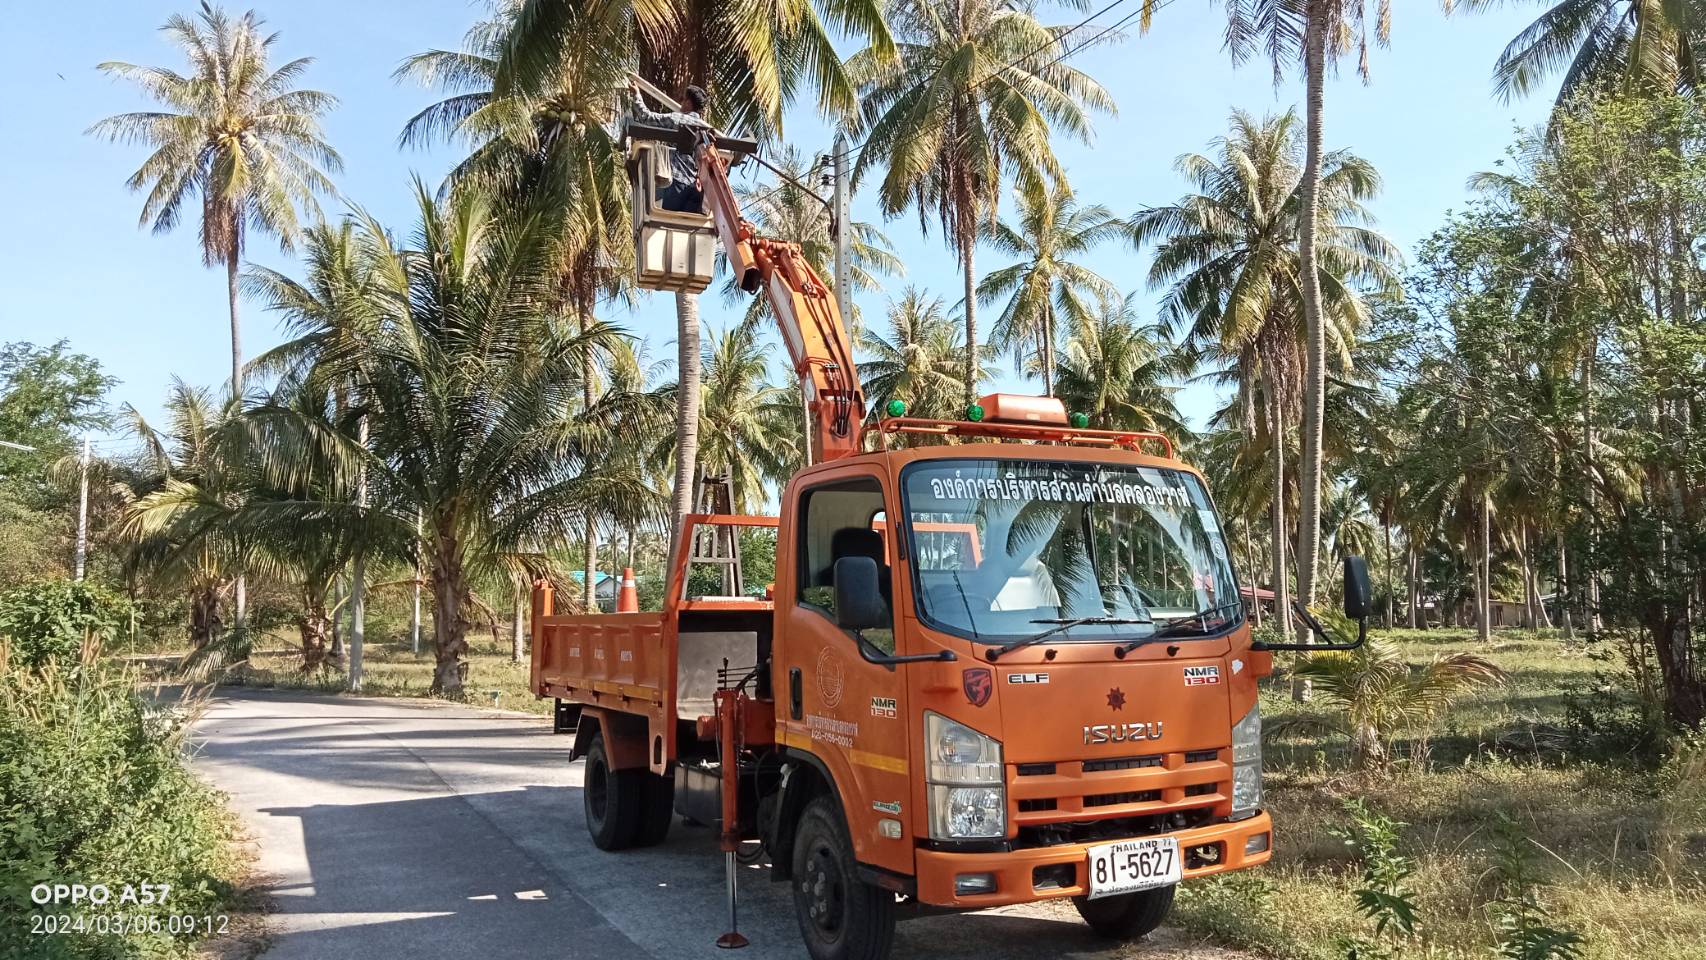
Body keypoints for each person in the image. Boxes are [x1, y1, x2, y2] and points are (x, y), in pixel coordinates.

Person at [630, 80, 712, 213]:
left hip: (676, 183)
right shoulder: (707, 129)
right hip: (696, 188)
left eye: (684, 100)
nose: (681, 104)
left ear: (689, 103)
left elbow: (647, 117)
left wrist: (637, 95)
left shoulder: (677, 119)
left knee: (665, 221)